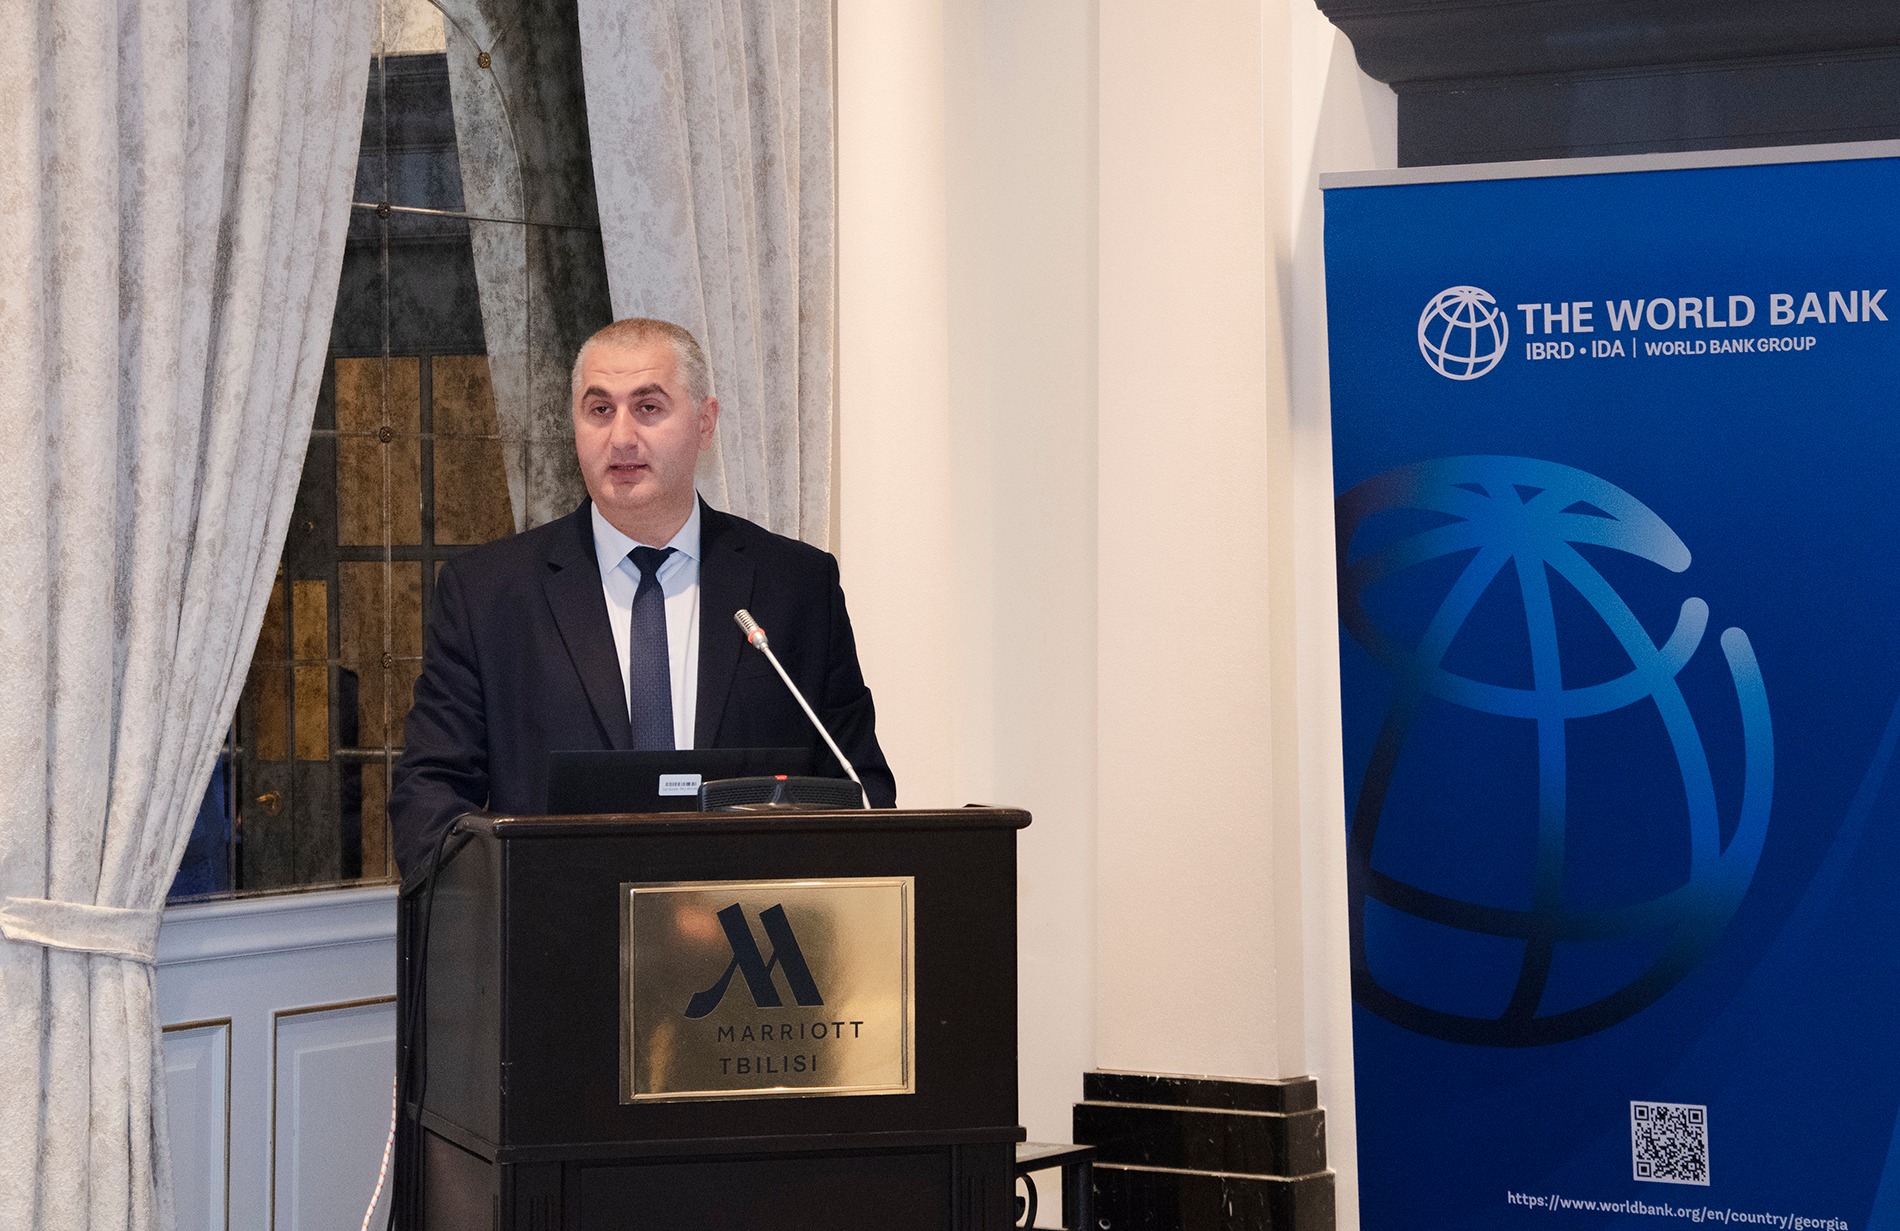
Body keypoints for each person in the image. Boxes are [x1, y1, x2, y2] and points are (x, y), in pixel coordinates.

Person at [387, 318, 894, 876]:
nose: (621, 437)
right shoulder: (489, 595)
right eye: (600, 410)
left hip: (746, 922)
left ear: (705, 423)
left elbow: (858, 786)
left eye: (648, 408)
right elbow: (429, 797)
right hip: (559, 921)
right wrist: (512, 896)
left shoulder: (795, 586)